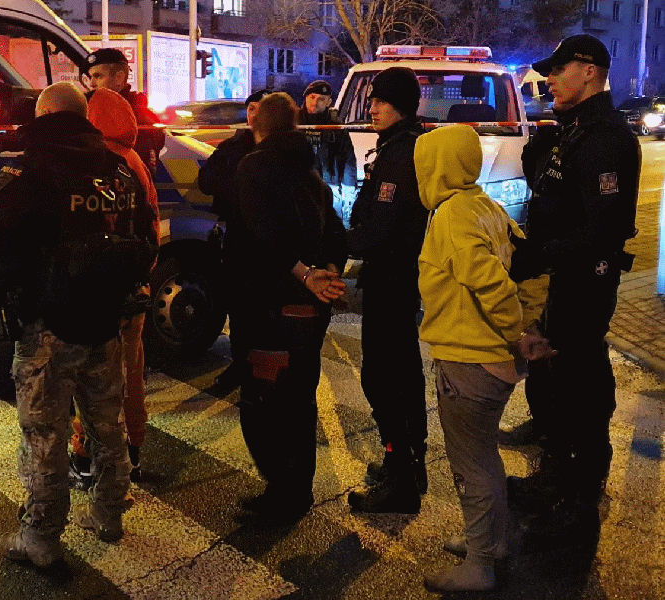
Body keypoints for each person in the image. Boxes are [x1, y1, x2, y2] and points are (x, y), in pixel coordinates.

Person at [0, 82, 158, 567]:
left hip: (46, 328)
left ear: (43, 114)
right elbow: (146, 240)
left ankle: (42, 537)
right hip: (105, 324)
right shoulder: (117, 170)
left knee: (45, 436)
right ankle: (109, 514)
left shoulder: (28, 171)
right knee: (106, 426)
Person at [508, 34, 641, 542]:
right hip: (564, 274)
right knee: (558, 376)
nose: (549, 80)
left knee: (580, 380)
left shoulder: (605, 137)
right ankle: (558, 477)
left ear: (588, 71)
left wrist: (539, 256)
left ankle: (578, 496)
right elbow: (548, 191)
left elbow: (603, 229)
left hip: (587, 278)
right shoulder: (575, 129)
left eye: (558, 70)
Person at [414, 124, 551, 592]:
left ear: (438, 166)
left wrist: (518, 330)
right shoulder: (484, 205)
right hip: (490, 361)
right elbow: (531, 266)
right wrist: (526, 323)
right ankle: (490, 542)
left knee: (471, 466)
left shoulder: (452, 214)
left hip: (470, 360)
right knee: (484, 459)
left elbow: (490, 281)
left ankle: (481, 564)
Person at [232, 92, 347, 524]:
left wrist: (303, 273)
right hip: (308, 310)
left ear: (256, 122)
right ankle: (296, 490)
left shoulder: (254, 167)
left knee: (265, 402)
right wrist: (328, 270)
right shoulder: (308, 168)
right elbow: (335, 230)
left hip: (271, 305)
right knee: (298, 401)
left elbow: (263, 235)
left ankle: (284, 495)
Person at [345, 66, 429, 515]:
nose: (371, 108)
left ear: (399, 105)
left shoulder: (402, 153)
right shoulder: (399, 146)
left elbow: (381, 228)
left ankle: (402, 478)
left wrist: (336, 242)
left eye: (379, 101)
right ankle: (409, 464)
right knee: (400, 372)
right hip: (397, 279)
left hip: (392, 281)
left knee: (384, 377)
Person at [67, 88, 161, 486]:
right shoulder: (134, 162)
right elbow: (151, 227)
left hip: (93, 294)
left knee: (90, 380)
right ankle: (133, 451)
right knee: (130, 375)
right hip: (131, 291)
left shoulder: (84, 161)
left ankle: (86, 456)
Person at [198, 89, 271, 391]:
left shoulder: (282, 149)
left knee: (265, 312)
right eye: (251, 108)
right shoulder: (233, 146)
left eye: (261, 109)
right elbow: (206, 181)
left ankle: (262, 373)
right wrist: (239, 190)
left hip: (270, 245)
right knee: (239, 309)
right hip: (238, 238)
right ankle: (241, 365)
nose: (254, 115)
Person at [81, 48, 165, 176]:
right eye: (90, 77)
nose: (91, 84)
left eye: (98, 76)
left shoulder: (139, 118)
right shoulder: (95, 110)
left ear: (119, 78)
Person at [297, 80, 357, 225]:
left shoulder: (336, 127)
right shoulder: (293, 124)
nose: (315, 102)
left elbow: (348, 159)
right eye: (312, 97)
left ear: (329, 102)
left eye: (321, 99)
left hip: (330, 188)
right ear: (305, 98)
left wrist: (349, 192)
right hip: (299, 188)